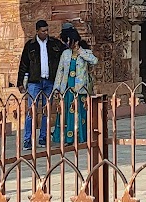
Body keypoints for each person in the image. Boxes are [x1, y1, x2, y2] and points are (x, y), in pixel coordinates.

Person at [17, 20, 64, 152]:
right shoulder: (30, 46)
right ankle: (28, 139)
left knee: (46, 110)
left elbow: (65, 53)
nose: (45, 33)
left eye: (46, 30)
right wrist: (20, 83)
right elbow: (23, 64)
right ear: (37, 31)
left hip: (49, 81)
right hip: (34, 81)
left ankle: (43, 136)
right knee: (31, 110)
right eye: (43, 31)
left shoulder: (54, 44)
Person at [52, 29, 97, 146]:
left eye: (69, 41)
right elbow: (60, 71)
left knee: (80, 113)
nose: (67, 44)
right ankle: (68, 138)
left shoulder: (85, 52)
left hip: (80, 87)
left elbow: (94, 61)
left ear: (75, 41)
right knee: (67, 112)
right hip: (67, 87)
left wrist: (80, 52)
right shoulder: (65, 54)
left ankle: (82, 136)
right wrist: (56, 88)